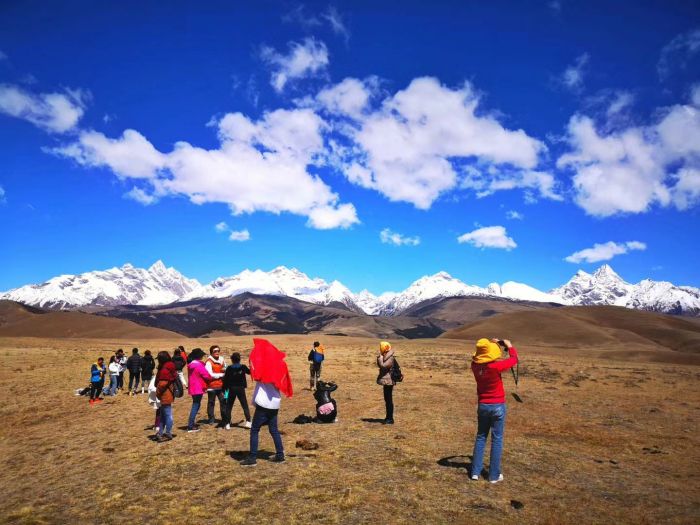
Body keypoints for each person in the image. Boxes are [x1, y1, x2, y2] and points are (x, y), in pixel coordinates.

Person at [469, 338, 519, 484]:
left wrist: (492, 345)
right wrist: (509, 345)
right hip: (497, 405)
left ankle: (475, 472)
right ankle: (493, 475)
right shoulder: (495, 367)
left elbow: (484, 358)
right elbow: (514, 359)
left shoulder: (474, 366)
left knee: (481, 437)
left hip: (483, 405)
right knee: (497, 439)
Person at [240, 339, 293, 467]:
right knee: (273, 430)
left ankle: (252, 457)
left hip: (264, 404)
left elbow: (255, 373)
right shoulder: (279, 365)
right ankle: (280, 454)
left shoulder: (263, 366)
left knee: (254, 429)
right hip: (275, 403)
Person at [222, 352, 252, 430]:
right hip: (240, 389)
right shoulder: (243, 367)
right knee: (244, 405)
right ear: (239, 359)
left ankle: (227, 423)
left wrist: (225, 394)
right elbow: (250, 372)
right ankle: (248, 422)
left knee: (229, 406)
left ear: (232, 360)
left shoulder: (229, 368)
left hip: (231, 389)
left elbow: (225, 381)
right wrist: (251, 367)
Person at [186, 348, 212, 432]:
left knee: (196, 404)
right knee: (196, 405)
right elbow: (206, 375)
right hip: (198, 387)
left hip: (193, 387)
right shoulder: (199, 365)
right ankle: (190, 425)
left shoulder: (191, 364)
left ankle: (191, 424)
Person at [154, 351, 177, 442]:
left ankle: (168, 432)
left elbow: (162, 384)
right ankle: (160, 432)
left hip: (165, 394)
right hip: (168, 393)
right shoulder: (169, 366)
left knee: (167, 414)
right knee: (163, 415)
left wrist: (158, 393)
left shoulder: (164, 369)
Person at [205, 345, 227, 426]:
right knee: (211, 402)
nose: (217, 352)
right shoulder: (208, 362)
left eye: (218, 350)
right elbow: (210, 374)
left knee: (223, 401)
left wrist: (225, 369)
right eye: (215, 351)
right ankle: (211, 418)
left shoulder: (222, 359)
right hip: (212, 386)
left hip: (221, 385)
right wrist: (222, 374)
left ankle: (224, 418)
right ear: (211, 352)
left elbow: (225, 367)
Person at [376, 341, 396, 424]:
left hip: (389, 381)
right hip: (386, 381)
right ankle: (388, 417)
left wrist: (379, 358)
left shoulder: (390, 357)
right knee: (387, 399)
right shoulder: (386, 356)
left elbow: (383, 366)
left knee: (388, 400)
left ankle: (390, 419)